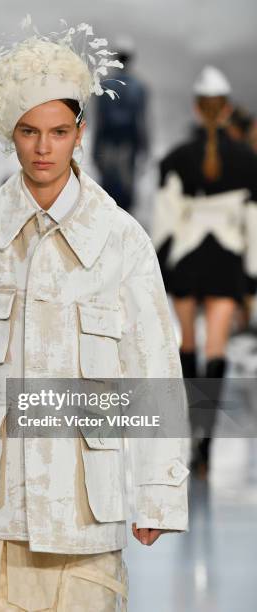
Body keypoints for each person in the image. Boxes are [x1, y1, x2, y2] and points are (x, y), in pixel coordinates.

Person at [0, 18, 189, 612]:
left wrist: (157, 493)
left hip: (84, 507)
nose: (43, 148)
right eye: (28, 131)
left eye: (57, 131)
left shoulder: (121, 240)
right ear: (10, 135)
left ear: (79, 133)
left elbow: (153, 369)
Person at [151, 66, 257, 479]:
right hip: (227, 260)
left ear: (197, 110)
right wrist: (251, 277)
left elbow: (165, 218)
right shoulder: (249, 161)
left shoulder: (175, 159)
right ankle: (206, 446)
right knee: (216, 350)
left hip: (187, 259)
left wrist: (160, 264)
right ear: (227, 109)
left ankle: (190, 432)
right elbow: (253, 223)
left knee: (188, 348)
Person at [92, 35, 148, 213]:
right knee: (126, 195)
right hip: (128, 147)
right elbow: (142, 122)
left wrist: (95, 150)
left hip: (108, 146)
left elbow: (100, 122)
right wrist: (145, 150)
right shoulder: (139, 87)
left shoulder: (105, 85)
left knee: (108, 197)